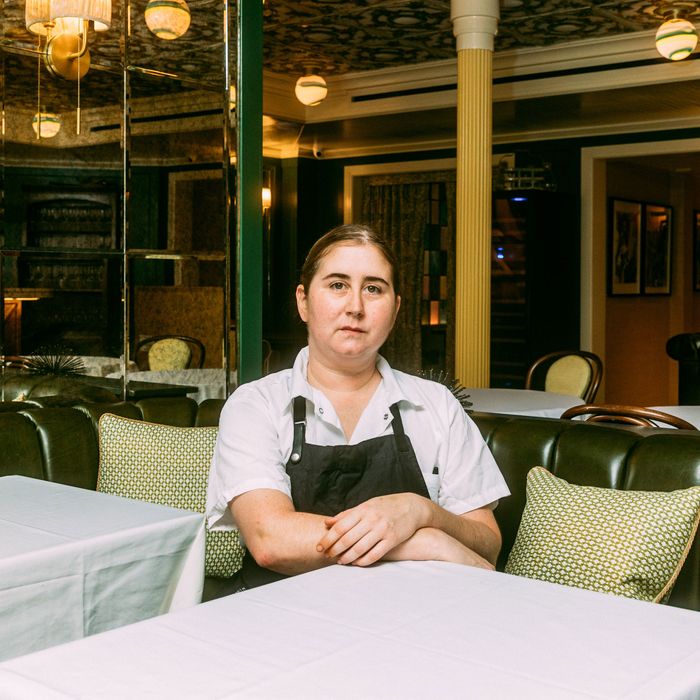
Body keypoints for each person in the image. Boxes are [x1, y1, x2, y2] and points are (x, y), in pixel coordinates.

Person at [206, 224, 510, 589]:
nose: (355, 307)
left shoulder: (437, 405)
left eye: (373, 289)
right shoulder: (255, 405)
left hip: (416, 614)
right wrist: (422, 541)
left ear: (395, 309)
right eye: (337, 285)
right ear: (303, 301)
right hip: (283, 619)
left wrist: (420, 511)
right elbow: (272, 541)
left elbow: (487, 545)